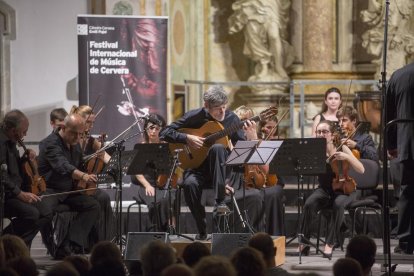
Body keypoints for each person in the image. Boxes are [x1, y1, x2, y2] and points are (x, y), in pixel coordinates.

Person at [159, 85, 258, 240]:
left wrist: (252, 137)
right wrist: (187, 138)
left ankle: (220, 203)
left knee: (218, 148)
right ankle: (202, 228)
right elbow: (164, 133)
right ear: (206, 106)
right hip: (197, 168)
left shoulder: (231, 119)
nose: (222, 112)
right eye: (218, 109)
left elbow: (242, 150)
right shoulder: (194, 116)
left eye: (224, 107)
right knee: (189, 184)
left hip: (222, 170)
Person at [37, 114, 100, 259]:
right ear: (63, 128)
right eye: (74, 133)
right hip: (50, 190)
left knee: (92, 205)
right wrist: (83, 176)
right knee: (43, 211)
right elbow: (62, 166)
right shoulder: (50, 143)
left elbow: (78, 164)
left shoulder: (75, 143)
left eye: (81, 134)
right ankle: (49, 246)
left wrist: (96, 160)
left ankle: (68, 243)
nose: (78, 137)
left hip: (68, 191)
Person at [299, 120, 364, 257]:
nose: (321, 134)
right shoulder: (315, 150)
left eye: (325, 131)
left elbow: (361, 169)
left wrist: (346, 156)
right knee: (309, 204)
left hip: (344, 189)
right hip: (324, 189)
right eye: (319, 132)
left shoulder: (341, 147)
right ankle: (304, 242)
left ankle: (330, 243)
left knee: (338, 204)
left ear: (332, 134)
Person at [0, 110, 52, 246]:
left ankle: (15, 245)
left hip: (15, 192)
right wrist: (20, 194)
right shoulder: (1, 143)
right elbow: (2, 176)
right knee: (32, 214)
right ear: (12, 130)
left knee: (46, 212)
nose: (25, 135)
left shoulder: (12, 141)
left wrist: (25, 160)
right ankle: (8, 244)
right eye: (24, 131)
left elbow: (14, 170)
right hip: (5, 196)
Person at [69, 105, 114, 243]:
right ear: (79, 119)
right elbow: (68, 163)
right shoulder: (71, 138)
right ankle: (88, 241)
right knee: (100, 198)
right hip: (71, 182)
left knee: (104, 197)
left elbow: (108, 158)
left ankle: (103, 241)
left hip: (85, 184)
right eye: (88, 122)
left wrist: (111, 161)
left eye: (93, 122)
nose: (91, 126)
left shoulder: (91, 140)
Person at [228, 0, 294, 82]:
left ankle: (278, 65)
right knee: (255, 35)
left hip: (270, 3)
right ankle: (264, 66)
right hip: (250, 3)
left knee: (274, 35)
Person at [386, 62, 414, 254]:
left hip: (407, 143)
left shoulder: (399, 75)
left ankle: (405, 242)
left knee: (407, 191)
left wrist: (391, 144)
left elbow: (389, 113)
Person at [131, 113, 174, 231]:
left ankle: (165, 230)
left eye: (157, 128)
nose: (154, 131)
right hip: (146, 186)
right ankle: (155, 231)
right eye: (151, 128)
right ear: (146, 129)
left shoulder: (166, 147)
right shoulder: (140, 147)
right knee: (156, 202)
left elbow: (171, 169)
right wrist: (147, 186)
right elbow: (137, 172)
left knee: (167, 198)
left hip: (163, 185)